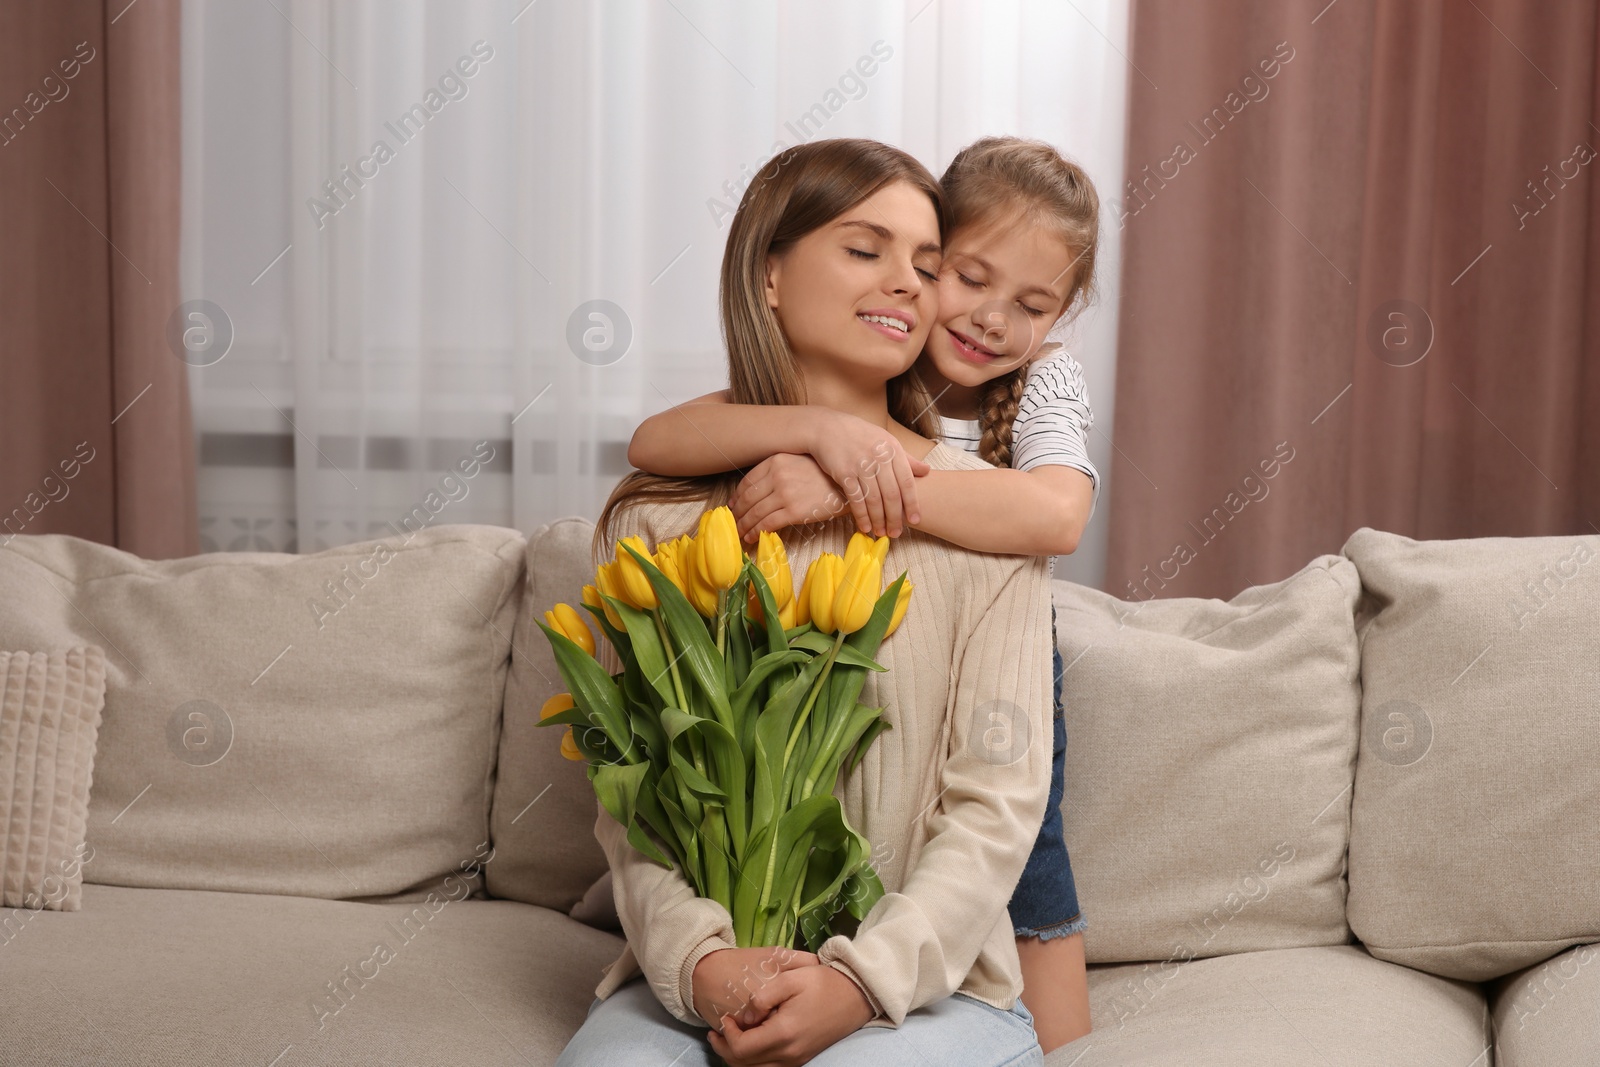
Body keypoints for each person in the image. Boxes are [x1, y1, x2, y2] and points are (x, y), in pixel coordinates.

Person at [556, 138, 1054, 1067]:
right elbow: (633, 804)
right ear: (769, 274)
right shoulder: (660, 521)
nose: (907, 282)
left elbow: (998, 803)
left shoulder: (983, 515)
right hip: (699, 985)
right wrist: (701, 965)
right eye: (866, 250)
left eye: (928, 266)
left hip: (928, 996)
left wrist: (859, 982)